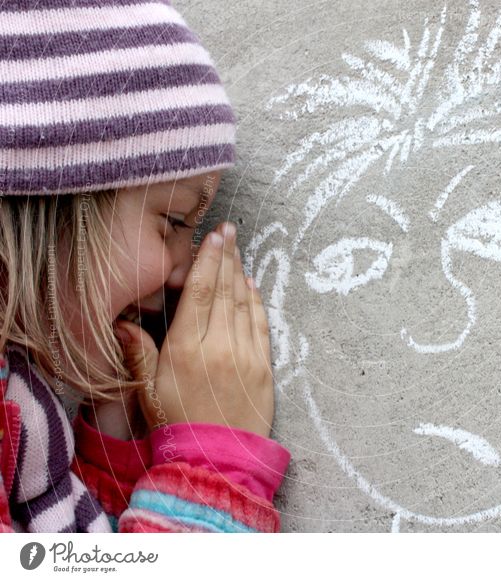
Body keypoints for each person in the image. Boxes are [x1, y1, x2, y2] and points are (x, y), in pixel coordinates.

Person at [0, 0, 289, 532]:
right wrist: (209, 472)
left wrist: (119, 442)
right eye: (174, 221)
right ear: (56, 201)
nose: (182, 272)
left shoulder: (20, 399)